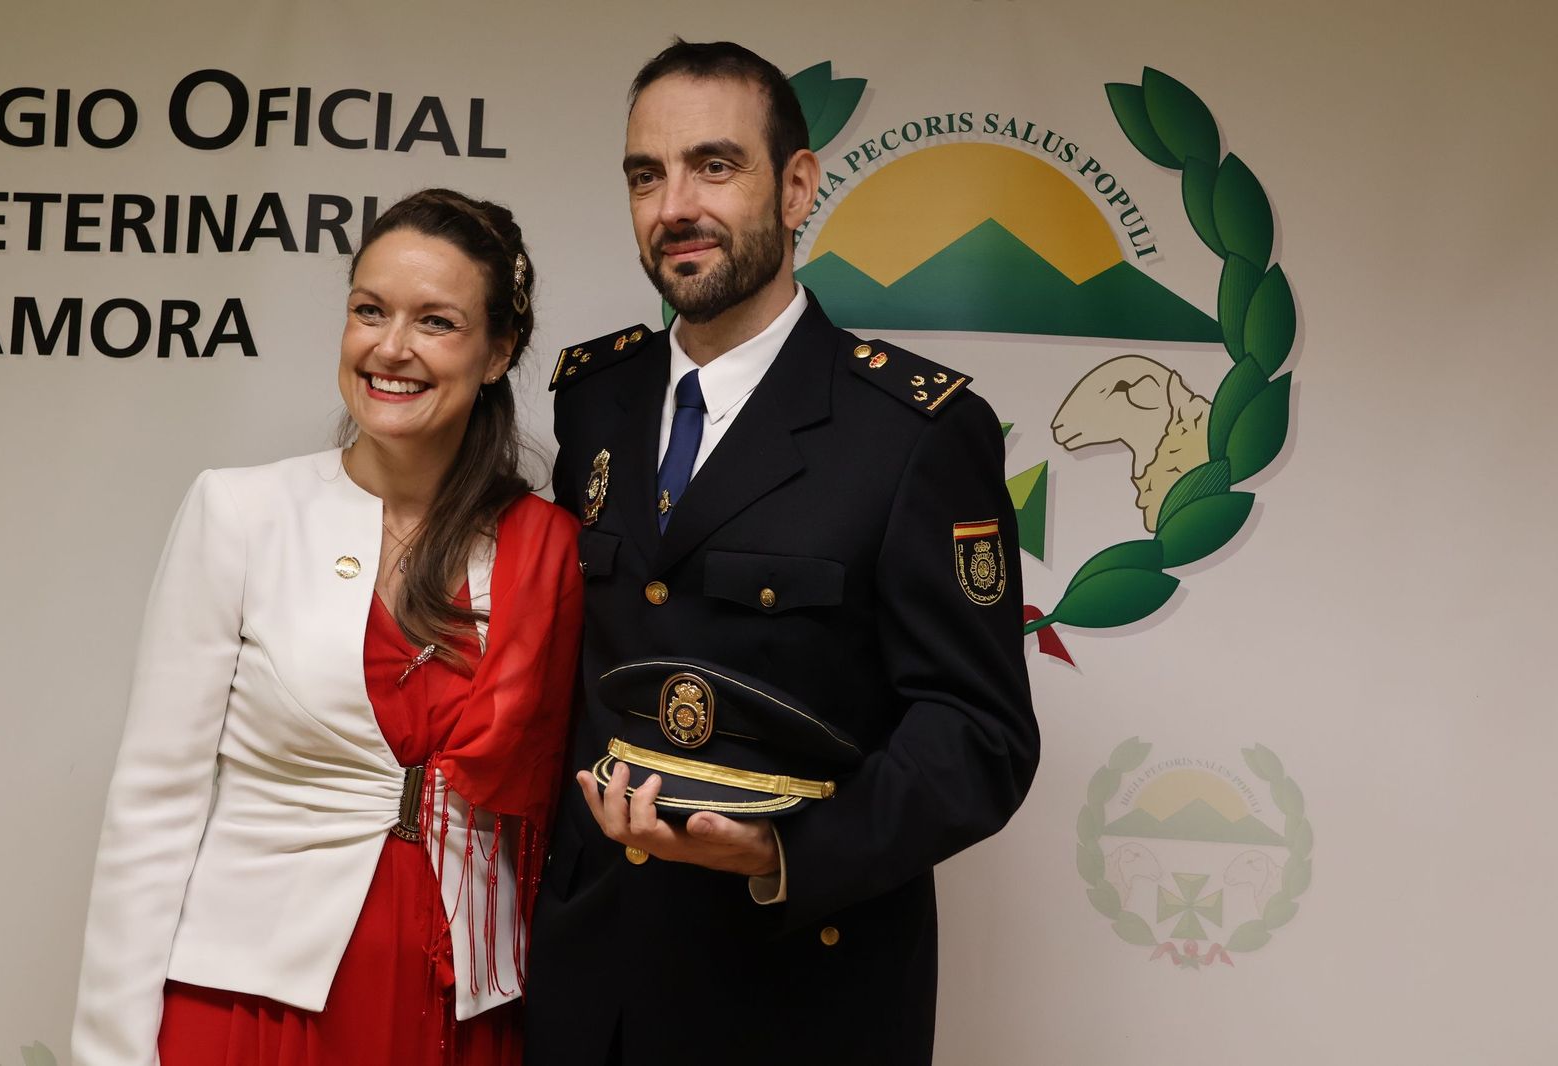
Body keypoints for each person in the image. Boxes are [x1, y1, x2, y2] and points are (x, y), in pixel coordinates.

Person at [525, 40, 1040, 1066]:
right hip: (596, 975)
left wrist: (783, 850)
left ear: (796, 185)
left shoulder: (912, 431)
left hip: (800, 985)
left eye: (714, 166)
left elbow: (978, 734)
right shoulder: (594, 399)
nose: (675, 203)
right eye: (645, 173)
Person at [71, 189, 582, 1066]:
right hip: (252, 999)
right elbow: (153, 804)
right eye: (369, 311)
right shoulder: (240, 512)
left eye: (436, 322)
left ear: (498, 352)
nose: (391, 347)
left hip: (460, 1002)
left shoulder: (549, 547)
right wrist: (112, 1048)